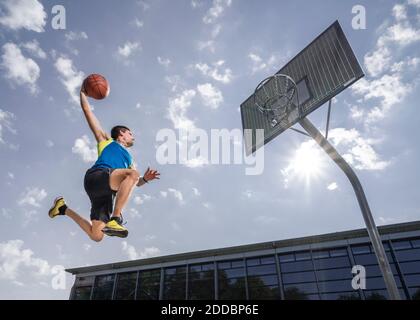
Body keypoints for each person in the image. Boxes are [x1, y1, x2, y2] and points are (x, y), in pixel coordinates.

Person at [48, 86, 160, 241]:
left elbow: (135, 183)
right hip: (98, 176)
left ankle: (63, 208)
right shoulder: (106, 141)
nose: (133, 136)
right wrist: (83, 94)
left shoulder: (130, 162)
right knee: (133, 174)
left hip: (106, 194)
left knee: (97, 236)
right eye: (130, 134)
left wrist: (146, 179)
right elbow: (88, 113)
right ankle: (115, 219)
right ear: (121, 134)